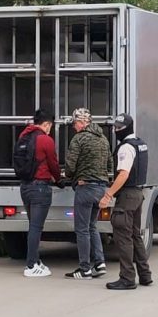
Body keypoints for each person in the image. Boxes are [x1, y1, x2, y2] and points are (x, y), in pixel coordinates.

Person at [99, 113, 152, 290]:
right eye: (114, 127)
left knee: (123, 237)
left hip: (127, 196)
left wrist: (108, 194)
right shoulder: (140, 143)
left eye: (118, 128)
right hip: (138, 193)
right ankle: (145, 275)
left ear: (127, 127)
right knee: (136, 235)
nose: (115, 130)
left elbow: (123, 174)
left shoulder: (126, 148)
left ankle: (127, 278)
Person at [63, 108, 112, 280]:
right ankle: (100, 263)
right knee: (92, 226)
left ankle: (85, 269)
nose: (74, 127)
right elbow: (110, 165)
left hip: (85, 188)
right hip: (100, 189)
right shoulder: (103, 139)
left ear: (83, 122)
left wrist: (68, 177)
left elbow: (70, 165)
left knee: (81, 229)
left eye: (75, 123)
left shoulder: (79, 139)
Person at [18, 109, 62, 277]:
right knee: (36, 227)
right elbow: (53, 163)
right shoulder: (45, 140)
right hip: (40, 187)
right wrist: (58, 180)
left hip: (25, 187)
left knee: (32, 225)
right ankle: (30, 266)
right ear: (46, 124)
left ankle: (36, 261)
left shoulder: (23, 136)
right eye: (50, 125)